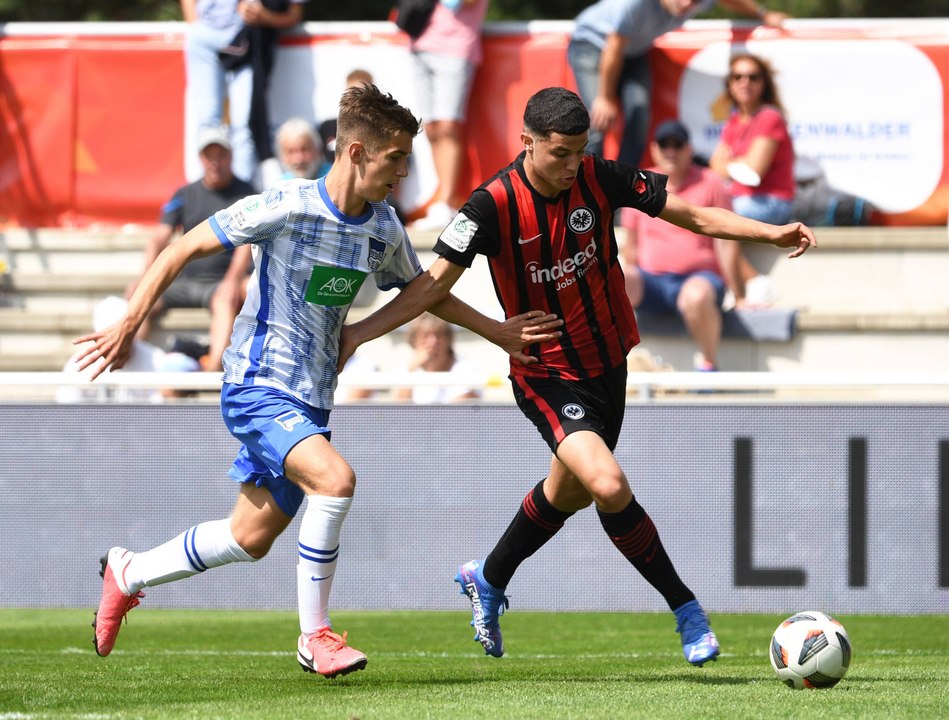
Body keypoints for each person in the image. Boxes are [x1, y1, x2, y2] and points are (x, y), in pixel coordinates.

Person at [77, 83, 560, 678]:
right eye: (396, 159)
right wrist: (130, 321)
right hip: (257, 385)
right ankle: (316, 638)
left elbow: (424, 291)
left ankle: (129, 571)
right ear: (357, 152)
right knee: (335, 481)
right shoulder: (286, 204)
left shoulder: (382, 227)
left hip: (310, 399)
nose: (403, 173)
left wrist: (495, 331)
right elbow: (184, 247)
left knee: (248, 537)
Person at [338, 87, 815, 666]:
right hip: (546, 371)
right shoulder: (490, 205)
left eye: (579, 152)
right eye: (559, 153)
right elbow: (431, 286)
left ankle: (487, 577)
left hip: (609, 362)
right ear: (527, 142)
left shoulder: (599, 177)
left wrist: (769, 233)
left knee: (566, 493)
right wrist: (364, 333)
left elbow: (691, 213)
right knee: (607, 485)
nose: (571, 166)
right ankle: (687, 609)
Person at [568, 0, 788, 168]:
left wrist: (763, 14)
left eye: (694, 2)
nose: (686, 5)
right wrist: (605, 97)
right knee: (597, 121)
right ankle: (587, 193)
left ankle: (620, 194)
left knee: (639, 116)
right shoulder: (636, 4)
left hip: (633, 51)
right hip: (593, 44)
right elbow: (614, 45)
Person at [128, 126, 256, 371]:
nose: (215, 162)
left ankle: (213, 371)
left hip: (219, 283)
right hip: (182, 281)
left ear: (231, 156)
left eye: (220, 155)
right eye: (209, 156)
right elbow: (159, 238)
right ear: (201, 158)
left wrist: (231, 280)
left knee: (227, 299)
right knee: (135, 291)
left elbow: (248, 242)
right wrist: (147, 278)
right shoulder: (185, 194)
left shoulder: (248, 195)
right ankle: (127, 359)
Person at [622, 119, 742, 372]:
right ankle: (610, 363)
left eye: (677, 144)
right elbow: (629, 246)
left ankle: (709, 366)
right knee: (615, 279)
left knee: (695, 296)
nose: (671, 151)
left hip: (700, 279)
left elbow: (726, 242)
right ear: (654, 149)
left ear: (689, 149)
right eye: (664, 144)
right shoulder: (638, 183)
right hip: (651, 282)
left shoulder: (711, 183)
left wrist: (739, 295)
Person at [181, 0, 306, 183]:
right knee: (207, 121)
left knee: (243, 124)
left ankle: (240, 193)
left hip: (246, 38)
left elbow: (294, 13)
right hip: (205, 35)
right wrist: (196, 26)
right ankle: (207, 190)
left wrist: (263, 16)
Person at [407, 0, 490, 230]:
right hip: (420, 44)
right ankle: (443, 201)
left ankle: (447, 202)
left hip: (455, 48)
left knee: (448, 126)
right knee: (431, 127)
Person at [709, 52, 796, 224]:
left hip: (770, 201)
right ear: (729, 83)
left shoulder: (770, 117)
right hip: (740, 199)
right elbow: (713, 166)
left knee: (716, 217)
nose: (745, 82)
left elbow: (752, 172)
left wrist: (727, 163)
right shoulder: (733, 121)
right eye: (737, 77)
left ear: (763, 83)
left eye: (753, 77)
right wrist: (741, 162)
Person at [392, 313, 481, 403]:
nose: (433, 342)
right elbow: (401, 406)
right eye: (425, 336)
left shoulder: (464, 367)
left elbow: (468, 400)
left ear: (448, 339)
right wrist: (412, 370)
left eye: (438, 335)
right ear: (414, 340)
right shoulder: (407, 369)